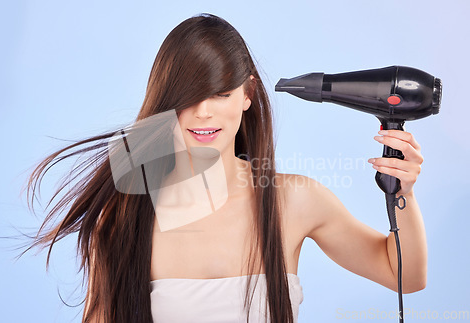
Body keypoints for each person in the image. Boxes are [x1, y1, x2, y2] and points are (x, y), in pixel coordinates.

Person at [24, 13, 427, 323]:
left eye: (220, 93)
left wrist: (404, 194)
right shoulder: (126, 217)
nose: (203, 112)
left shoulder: (295, 201)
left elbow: (403, 275)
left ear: (248, 94)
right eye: (188, 95)